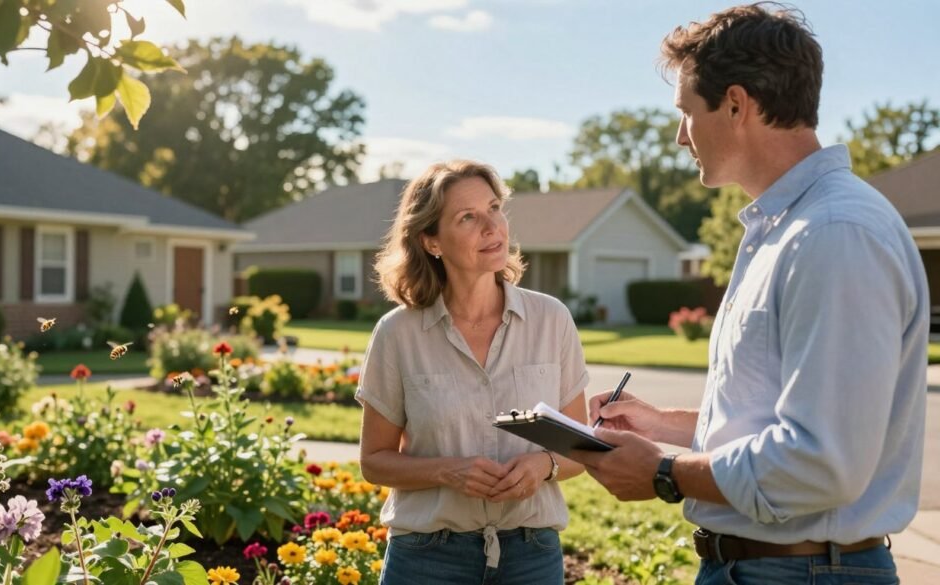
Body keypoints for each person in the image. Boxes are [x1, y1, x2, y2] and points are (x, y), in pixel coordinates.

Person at [570, 4, 929, 585]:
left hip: (806, 573)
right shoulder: (783, 229)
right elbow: (771, 419)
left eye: (687, 112)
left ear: (736, 104)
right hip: (774, 568)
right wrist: (664, 425)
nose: (679, 135)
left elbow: (819, 462)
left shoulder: (833, 234)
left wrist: (665, 471)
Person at [357, 160, 589, 584]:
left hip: (532, 555)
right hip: (426, 557)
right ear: (432, 241)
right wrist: (447, 471)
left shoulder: (551, 319)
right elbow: (374, 462)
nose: (492, 226)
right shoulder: (397, 334)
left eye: (495, 207)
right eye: (468, 217)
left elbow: (580, 448)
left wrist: (542, 466)